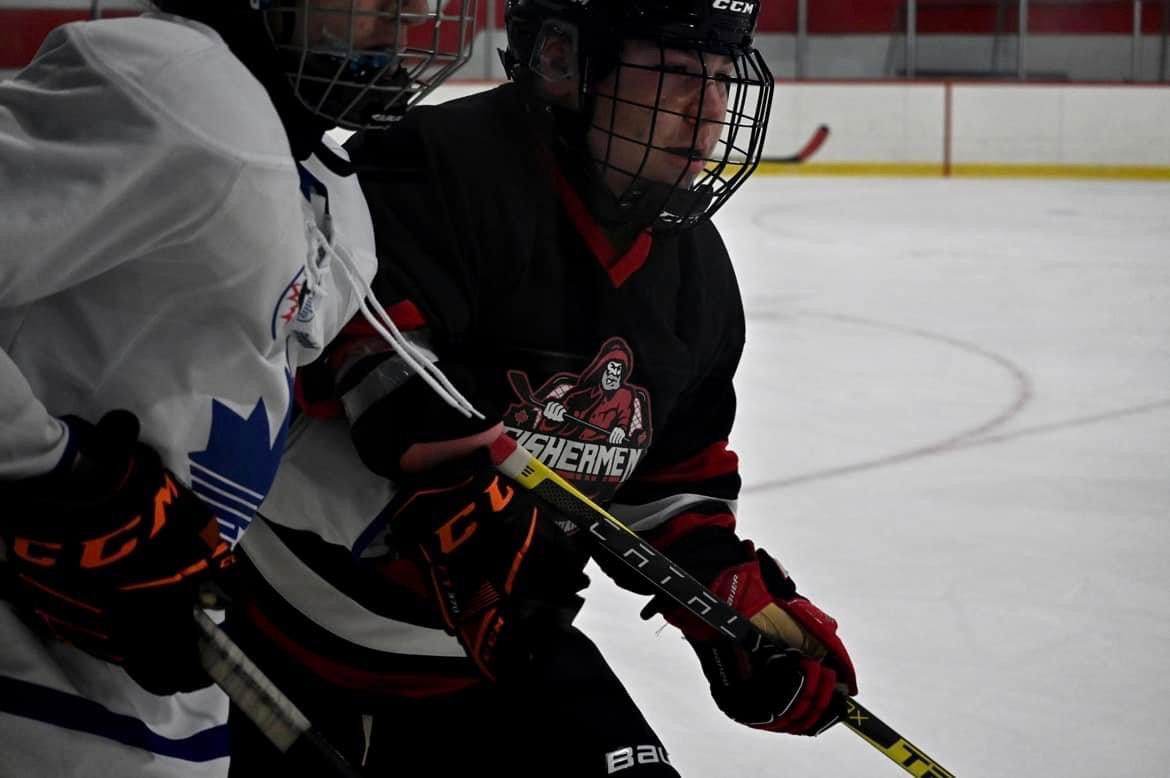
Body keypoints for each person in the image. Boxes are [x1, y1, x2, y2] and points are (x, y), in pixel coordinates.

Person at [224, 0, 859, 774]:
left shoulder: (698, 277)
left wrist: (728, 597)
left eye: (723, 78)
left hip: (493, 653)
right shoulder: (427, 170)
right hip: (285, 636)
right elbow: (357, 394)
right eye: (677, 72)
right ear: (562, 61)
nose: (711, 109)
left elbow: (668, 479)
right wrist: (465, 515)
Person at [0, 0, 474, 775]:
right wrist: (49, 474)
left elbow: (235, 416)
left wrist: (391, 514)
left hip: (154, 711)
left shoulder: (329, 189)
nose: (414, 11)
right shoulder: (172, 81)